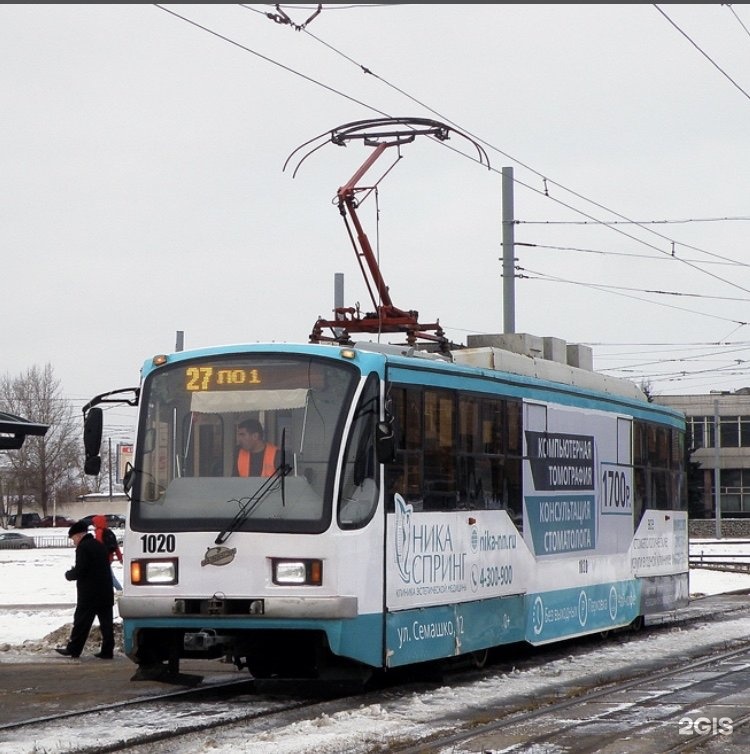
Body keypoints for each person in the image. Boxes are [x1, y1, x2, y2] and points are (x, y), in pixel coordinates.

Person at [55, 519, 115, 660]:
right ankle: (107, 651)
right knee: (106, 623)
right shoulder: (99, 545)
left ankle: (74, 649)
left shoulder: (83, 547)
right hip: (105, 591)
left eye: (73, 539)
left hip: (90, 594)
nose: (73, 542)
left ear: (78, 535)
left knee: (81, 622)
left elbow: (82, 569)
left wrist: (70, 575)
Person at [92, 514, 124, 591]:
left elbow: (98, 546)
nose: (93, 524)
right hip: (109, 557)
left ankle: (119, 589)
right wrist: (120, 558)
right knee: (105, 575)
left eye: (94, 522)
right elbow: (116, 546)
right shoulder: (109, 532)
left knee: (109, 576)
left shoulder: (99, 532)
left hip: (102, 558)